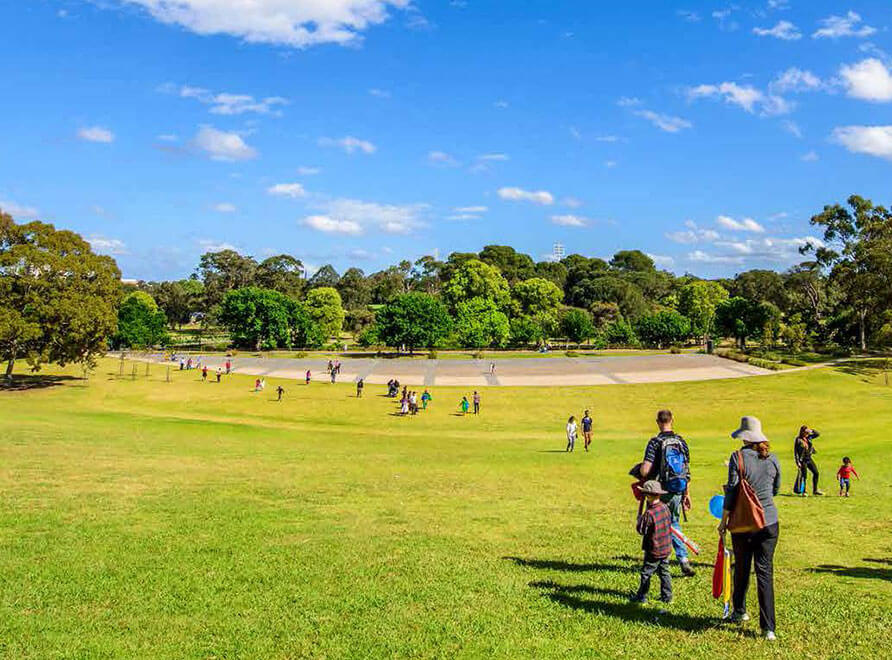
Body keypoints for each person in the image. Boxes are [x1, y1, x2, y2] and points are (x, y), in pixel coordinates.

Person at [718, 416, 781, 642]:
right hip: (770, 522)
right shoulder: (772, 458)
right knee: (765, 573)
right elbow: (776, 489)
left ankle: (740, 610)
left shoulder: (737, 458)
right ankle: (768, 628)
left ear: (744, 436)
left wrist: (724, 520)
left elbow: (732, 492)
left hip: (744, 523)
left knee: (742, 568)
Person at [638, 409, 695, 577]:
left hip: (660, 491)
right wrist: (687, 494)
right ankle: (682, 559)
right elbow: (686, 470)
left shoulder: (655, 442)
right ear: (672, 420)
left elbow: (645, 470)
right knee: (674, 523)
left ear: (657, 422)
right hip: (678, 489)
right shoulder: (681, 441)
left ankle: (661, 561)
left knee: (659, 525)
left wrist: (640, 469)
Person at [631, 480, 672, 607]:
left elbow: (641, 530)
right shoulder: (665, 507)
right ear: (659, 494)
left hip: (654, 550)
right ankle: (667, 596)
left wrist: (639, 520)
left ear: (648, 496)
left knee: (646, 573)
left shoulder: (649, 513)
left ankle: (642, 596)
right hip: (666, 548)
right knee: (664, 571)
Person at [794, 425, 823, 496]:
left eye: (807, 432)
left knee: (816, 473)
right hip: (802, 460)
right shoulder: (798, 440)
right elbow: (796, 452)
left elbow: (817, 434)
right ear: (802, 432)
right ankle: (804, 491)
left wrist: (811, 430)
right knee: (804, 476)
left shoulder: (809, 437)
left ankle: (815, 490)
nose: (807, 433)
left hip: (809, 458)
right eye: (805, 432)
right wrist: (797, 462)